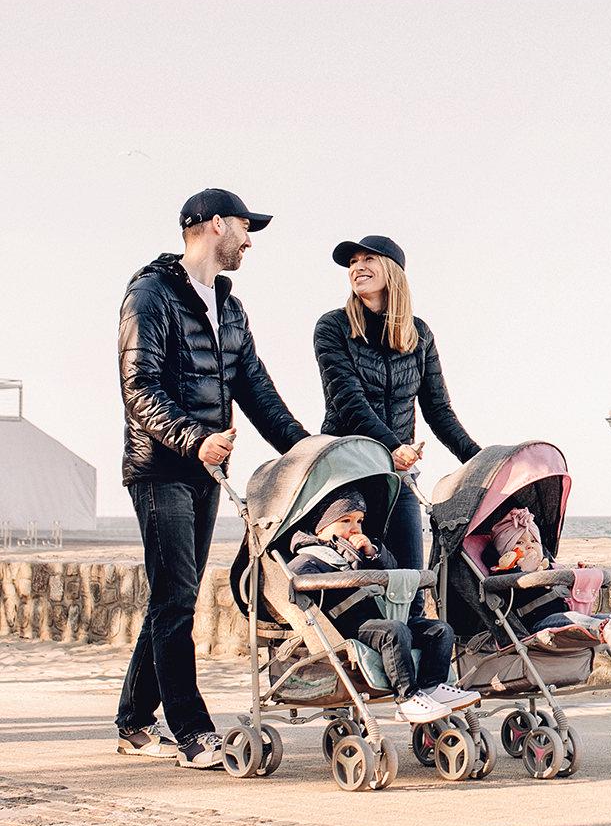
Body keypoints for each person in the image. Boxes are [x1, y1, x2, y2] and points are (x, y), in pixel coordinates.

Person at [117, 189, 310, 768]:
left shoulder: (228, 306)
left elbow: (256, 389)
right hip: (160, 469)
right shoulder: (149, 295)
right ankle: (192, 730)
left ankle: (132, 721)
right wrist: (195, 439)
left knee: (171, 598)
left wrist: (308, 451)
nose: (249, 241)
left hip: (205, 470)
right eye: (245, 229)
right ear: (215, 225)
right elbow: (139, 388)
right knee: (176, 599)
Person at [313, 235, 480, 575]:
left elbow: (438, 409)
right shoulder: (333, 327)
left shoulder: (419, 334)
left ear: (392, 271)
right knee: (359, 577)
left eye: (368, 259)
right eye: (352, 262)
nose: (357, 267)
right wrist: (392, 445)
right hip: (346, 472)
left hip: (398, 473)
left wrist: (481, 462)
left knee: (412, 578)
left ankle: (412, 629)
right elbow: (348, 401)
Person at [285, 491, 481, 723]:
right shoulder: (309, 559)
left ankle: (432, 686)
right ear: (320, 528)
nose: (354, 528)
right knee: (394, 632)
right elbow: (299, 585)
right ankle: (406, 696)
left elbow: (391, 569)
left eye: (359, 521)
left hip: (380, 616)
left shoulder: (357, 554)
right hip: (348, 626)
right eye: (345, 521)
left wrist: (371, 553)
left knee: (439, 630)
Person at [488, 508, 611, 652]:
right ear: (505, 551)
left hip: (562, 616)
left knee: (599, 617)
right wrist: (521, 572)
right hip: (536, 627)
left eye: (534, 541)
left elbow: (564, 586)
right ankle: (608, 630)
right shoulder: (502, 575)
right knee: (573, 619)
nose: (529, 546)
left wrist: (579, 576)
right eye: (519, 543)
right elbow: (504, 594)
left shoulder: (548, 568)